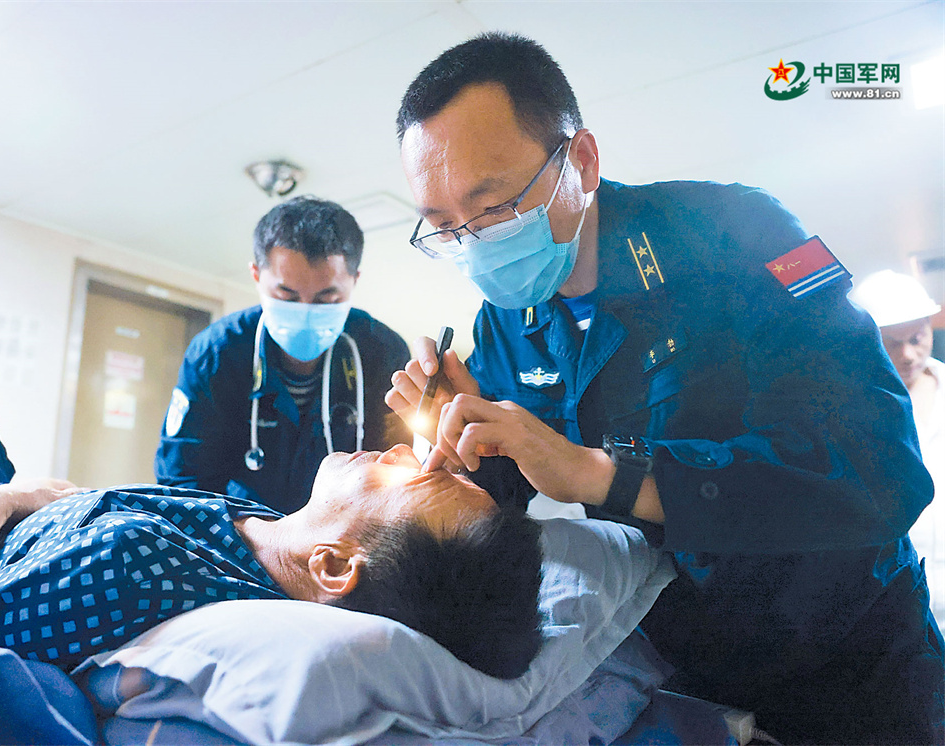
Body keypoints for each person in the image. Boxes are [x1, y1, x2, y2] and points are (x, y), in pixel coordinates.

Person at [385, 33, 943, 744]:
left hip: (854, 660)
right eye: (443, 229)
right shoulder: (504, 321)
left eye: (493, 209)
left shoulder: (738, 235)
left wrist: (603, 475)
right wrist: (469, 446)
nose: (473, 246)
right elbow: (518, 489)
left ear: (581, 161)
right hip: (689, 671)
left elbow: (879, 471)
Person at [0, 340, 543, 680]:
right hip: (43, 512)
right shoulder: (268, 538)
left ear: (334, 566)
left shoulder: (133, 565)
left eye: (416, 479)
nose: (404, 450)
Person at [155, 196, 411, 514]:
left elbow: (394, 472)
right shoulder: (217, 353)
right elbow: (183, 484)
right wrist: (263, 536)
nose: (306, 312)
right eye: (287, 296)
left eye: (327, 300)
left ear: (354, 280)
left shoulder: (382, 351)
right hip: (242, 533)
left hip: (342, 531)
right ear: (256, 275)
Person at [850, 269, 944, 628]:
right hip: (898, 611)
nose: (907, 355)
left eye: (917, 338)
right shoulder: (850, 412)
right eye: (891, 343)